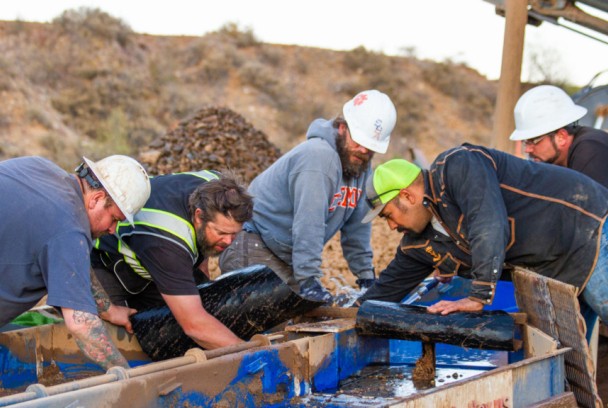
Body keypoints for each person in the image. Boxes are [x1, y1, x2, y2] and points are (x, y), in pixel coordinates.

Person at [357, 143, 608, 328]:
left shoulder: (457, 166)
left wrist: (478, 296)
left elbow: (488, 223)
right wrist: (341, 316)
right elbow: (385, 290)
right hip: (557, 267)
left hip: (587, 225)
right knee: (568, 359)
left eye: (388, 215)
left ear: (407, 196)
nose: (390, 227)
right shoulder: (417, 243)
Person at [218, 89, 397, 303]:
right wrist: (309, 280)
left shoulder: (361, 166)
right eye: (358, 141)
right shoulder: (318, 157)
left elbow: (357, 228)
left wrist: (366, 278)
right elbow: (309, 221)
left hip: (286, 258)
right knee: (266, 331)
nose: (362, 150)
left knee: (297, 324)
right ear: (342, 127)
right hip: (254, 246)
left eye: (369, 148)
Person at [0, 155, 151, 370]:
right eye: (115, 219)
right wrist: (128, 377)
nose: (112, 229)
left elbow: (72, 264)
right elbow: (82, 326)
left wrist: (108, 310)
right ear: (97, 198)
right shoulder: (70, 229)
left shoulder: (40, 166)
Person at [92, 170, 254, 349]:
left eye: (234, 234)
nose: (228, 241)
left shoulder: (217, 187)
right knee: (125, 341)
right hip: (105, 262)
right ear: (199, 216)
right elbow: (195, 325)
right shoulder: (166, 243)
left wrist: (203, 264)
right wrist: (249, 353)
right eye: (221, 233)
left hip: (155, 257)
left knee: (211, 308)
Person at [510, 84, 608, 187]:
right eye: (525, 142)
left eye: (533, 141)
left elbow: (587, 201)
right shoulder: (557, 160)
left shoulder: (590, 150)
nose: (527, 149)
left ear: (561, 137)